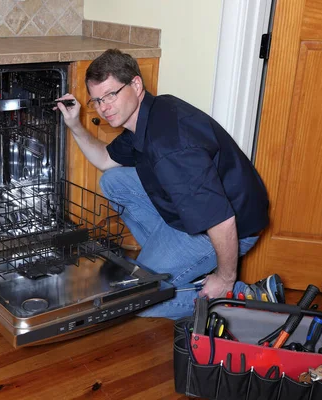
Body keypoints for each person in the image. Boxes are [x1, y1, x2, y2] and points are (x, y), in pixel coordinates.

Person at [56, 49, 279, 319]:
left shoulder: (170, 147)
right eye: (97, 100)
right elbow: (105, 159)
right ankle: (175, 266)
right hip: (196, 214)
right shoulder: (150, 113)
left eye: (111, 95)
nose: (104, 108)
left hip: (228, 230)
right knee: (114, 181)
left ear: (136, 85)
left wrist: (225, 278)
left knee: (132, 298)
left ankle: (244, 296)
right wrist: (75, 125)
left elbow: (221, 220)